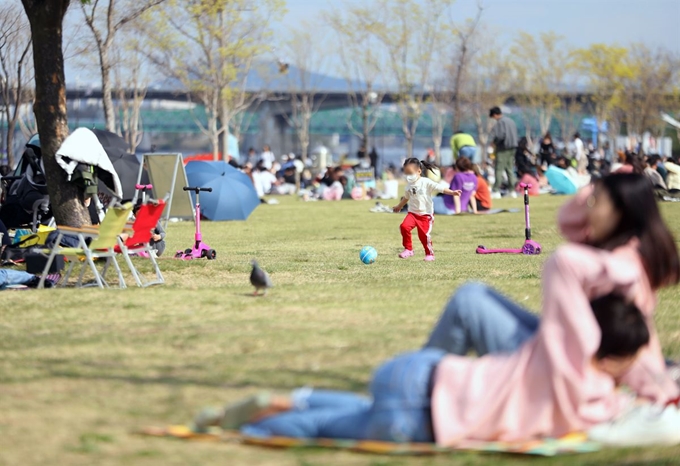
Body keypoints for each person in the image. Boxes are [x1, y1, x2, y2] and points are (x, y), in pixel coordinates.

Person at [392, 158, 461, 262]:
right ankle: (408, 249)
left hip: (425, 215)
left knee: (423, 236)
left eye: (410, 173)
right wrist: (399, 206)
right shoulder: (408, 186)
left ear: (419, 171)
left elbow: (440, 188)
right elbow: (406, 198)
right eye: (406, 173)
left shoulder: (426, 182)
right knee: (404, 227)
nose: (408, 176)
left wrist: (452, 192)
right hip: (412, 213)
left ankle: (429, 254)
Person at [488, 107, 518, 196]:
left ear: (494, 115)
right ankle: (512, 190)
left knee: (499, 169)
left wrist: (494, 143)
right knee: (509, 169)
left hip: (503, 148)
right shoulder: (511, 121)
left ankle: (496, 190)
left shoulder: (500, 122)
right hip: (513, 147)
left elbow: (500, 136)